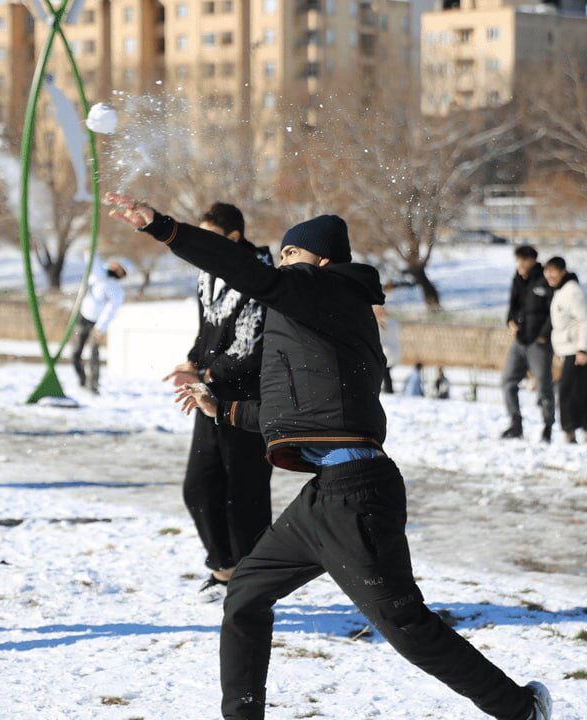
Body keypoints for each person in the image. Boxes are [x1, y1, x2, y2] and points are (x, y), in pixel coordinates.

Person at [105, 192, 552, 720]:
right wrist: (220, 409)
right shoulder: (317, 317)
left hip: (357, 495)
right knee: (245, 594)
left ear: (315, 260)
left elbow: (250, 271)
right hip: (324, 495)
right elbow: (291, 410)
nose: (280, 266)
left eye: (288, 256)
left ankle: (520, 708)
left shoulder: (324, 292)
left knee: (405, 625)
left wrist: (162, 227)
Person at [162, 202, 272, 594]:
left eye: (212, 238)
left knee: (245, 494)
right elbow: (206, 332)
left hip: (247, 401)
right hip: (207, 394)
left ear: (234, 238)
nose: (203, 246)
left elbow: (249, 346)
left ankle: (251, 580)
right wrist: (190, 362)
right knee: (200, 487)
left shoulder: (257, 275)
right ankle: (223, 566)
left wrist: (206, 373)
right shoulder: (208, 274)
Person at [501, 245, 555, 442]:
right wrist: (510, 320)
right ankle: (516, 424)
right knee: (507, 381)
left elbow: (553, 311)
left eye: (523, 260)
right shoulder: (516, 279)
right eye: (518, 260)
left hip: (538, 343)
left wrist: (543, 336)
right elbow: (512, 306)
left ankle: (548, 425)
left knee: (543, 385)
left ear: (532, 260)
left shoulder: (544, 280)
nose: (520, 264)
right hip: (519, 340)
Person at [543, 257, 587, 443]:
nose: (549, 275)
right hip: (570, 350)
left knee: (567, 392)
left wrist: (583, 349)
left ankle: (570, 430)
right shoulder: (561, 291)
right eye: (547, 271)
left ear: (563, 271)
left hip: (578, 351)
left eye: (553, 271)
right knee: (579, 391)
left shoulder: (572, 292)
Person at [71, 258, 126, 394]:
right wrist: (89, 252)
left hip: (96, 324)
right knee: (75, 353)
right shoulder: (99, 273)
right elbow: (93, 261)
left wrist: (100, 328)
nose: (114, 268)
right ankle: (81, 380)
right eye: (114, 265)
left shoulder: (116, 290)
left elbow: (111, 310)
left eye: (118, 268)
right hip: (82, 317)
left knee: (94, 355)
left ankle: (93, 386)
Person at [373, 302, 401, 393]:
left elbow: (378, 338)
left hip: (386, 351)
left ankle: (387, 390)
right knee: (386, 373)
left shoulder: (381, 324)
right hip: (394, 351)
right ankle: (388, 389)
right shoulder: (393, 322)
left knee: (384, 373)